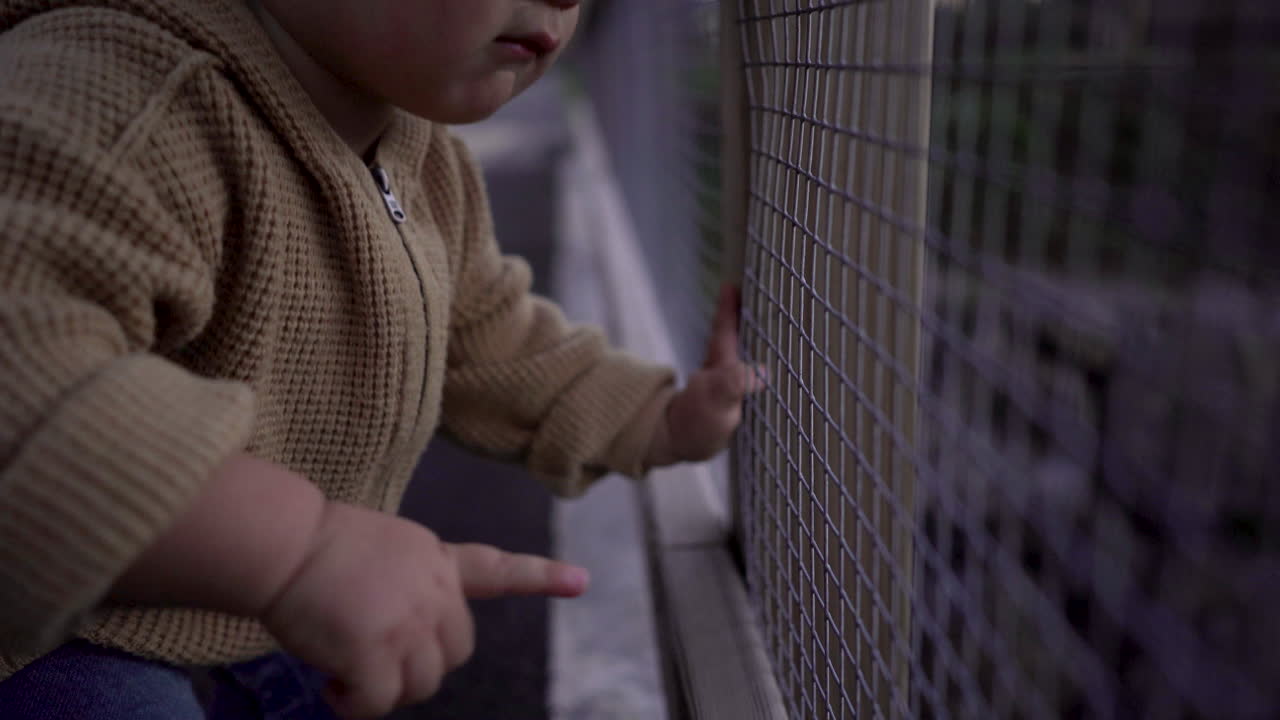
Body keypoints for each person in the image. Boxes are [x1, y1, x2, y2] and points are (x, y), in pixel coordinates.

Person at [0, 0, 761, 717]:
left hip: (231, 615)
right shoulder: (113, 98)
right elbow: (20, 368)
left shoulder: (420, 154)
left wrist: (654, 416)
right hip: (45, 628)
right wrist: (298, 550)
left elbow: (489, 338)